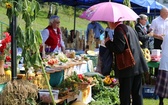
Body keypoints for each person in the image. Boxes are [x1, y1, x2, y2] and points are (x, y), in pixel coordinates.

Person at [105, 22, 148, 105]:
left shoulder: (119, 30)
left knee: (125, 95)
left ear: (112, 21)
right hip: (137, 64)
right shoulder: (130, 28)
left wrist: (108, 43)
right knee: (137, 94)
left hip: (127, 67)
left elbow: (119, 48)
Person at [149, 7, 168, 76]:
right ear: (162, 13)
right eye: (167, 13)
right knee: (157, 58)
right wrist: (158, 36)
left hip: (167, 42)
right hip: (158, 41)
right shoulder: (155, 21)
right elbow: (150, 33)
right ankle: (157, 75)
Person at [155, 34, 168, 105]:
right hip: (165, 61)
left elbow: (162, 46)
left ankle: (161, 102)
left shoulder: (166, 35)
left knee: (162, 84)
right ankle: (161, 102)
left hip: (164, 61)